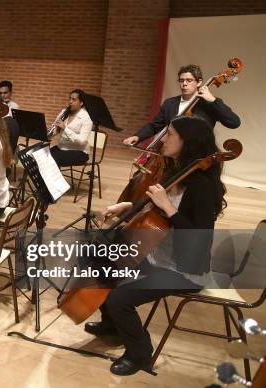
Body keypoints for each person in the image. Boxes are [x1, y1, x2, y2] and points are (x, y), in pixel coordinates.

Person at [85, 116, 226, 375]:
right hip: (157, 254)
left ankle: (139, 354)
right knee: (100, 259)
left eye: (170, 134)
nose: (163, 139)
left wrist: (169, 207)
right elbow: (154, 208)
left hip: (184, 270)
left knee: (120, 298)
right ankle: (113, 326)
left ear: (188, 142)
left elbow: (199, 240)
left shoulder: (202, 187)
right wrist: (127, 206)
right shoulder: (176, 171)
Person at [123, 64, 240, 146]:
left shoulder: (209, 104)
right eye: (181, 80)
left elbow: (234, 123)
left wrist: (213, 100)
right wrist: (137, 137)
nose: (184, 84)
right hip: (170, 154)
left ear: (199, 82)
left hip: (196, 159)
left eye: (189, 80)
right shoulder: (170, 103)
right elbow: (154, 126)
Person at [49, 89, 93, 167]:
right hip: (61, 148)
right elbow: (56, 130)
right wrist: (49, 132)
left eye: (74, 99)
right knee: (41, 156)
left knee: (52, 159)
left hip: (79, 152)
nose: (70, 102)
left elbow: (82, 141)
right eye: (70, 98)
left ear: (81, 103)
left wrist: (65, 129)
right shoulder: (64, 112)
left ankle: (52, 179)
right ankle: (44, 178)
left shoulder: (86, 118)